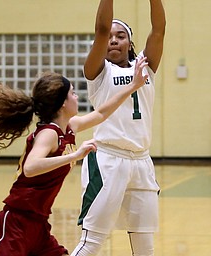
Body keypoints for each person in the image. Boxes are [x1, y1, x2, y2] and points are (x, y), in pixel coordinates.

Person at [0, 57, 148, 256]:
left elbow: (102, 113)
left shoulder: (70, 127)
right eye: (72, 93)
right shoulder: (49, 133)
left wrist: (133, 86)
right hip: (16, 224)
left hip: (39, 225)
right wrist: (75, 156)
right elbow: (31, 167)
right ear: (62, 103)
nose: (77, 96)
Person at [71, 0, 166, 255]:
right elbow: (101, 29)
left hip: (142, 162)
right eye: (110, 37)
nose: (113, 40)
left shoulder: (145, 68)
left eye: (120, 36)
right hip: (108, 160)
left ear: (130, 44)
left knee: (145, 249)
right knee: (92, 243)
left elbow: (159, 30)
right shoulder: (98, 73)